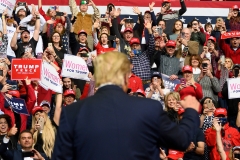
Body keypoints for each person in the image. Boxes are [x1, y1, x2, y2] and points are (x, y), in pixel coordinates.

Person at [52, 51, 201, 160]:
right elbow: (182, 141)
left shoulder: (72, 113)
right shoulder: (149, 109)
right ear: (125, 77)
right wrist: (191, 112)